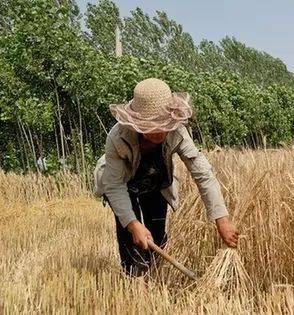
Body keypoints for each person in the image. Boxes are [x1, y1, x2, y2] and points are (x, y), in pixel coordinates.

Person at [94, 78, 238, 277]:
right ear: (137, 123)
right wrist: (133, 224)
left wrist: (221, 219)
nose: (160, 131)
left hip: (154, 180)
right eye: (153, 126)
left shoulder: (177, 132)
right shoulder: (118, 137)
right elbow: (115, 186)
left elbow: (203, 174)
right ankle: (134, 278)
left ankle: (152, 277)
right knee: (131, 236)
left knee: (157, 237)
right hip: (121, 183)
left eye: (164, 124)